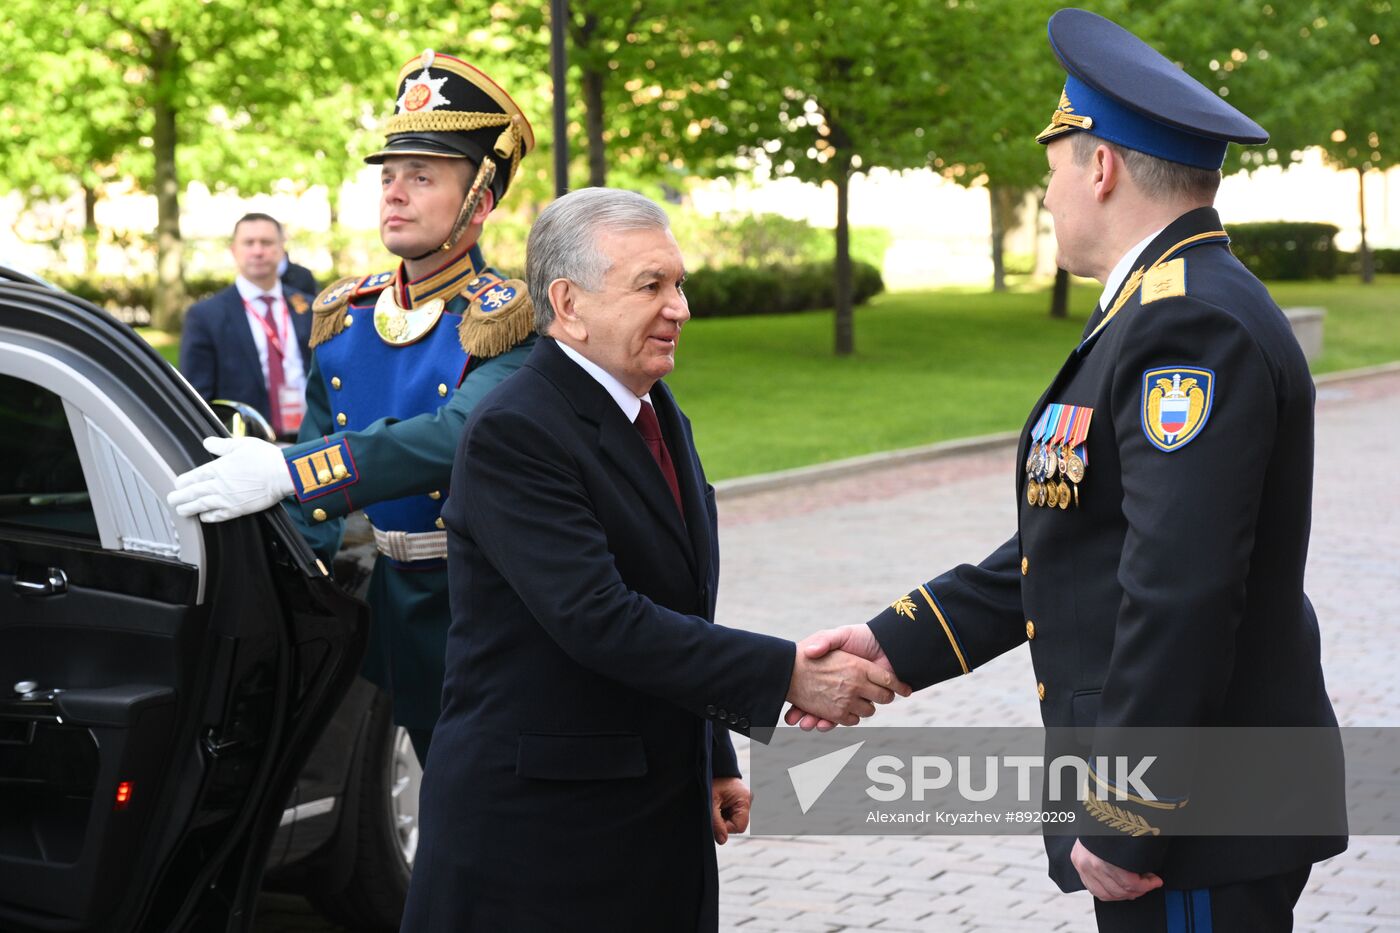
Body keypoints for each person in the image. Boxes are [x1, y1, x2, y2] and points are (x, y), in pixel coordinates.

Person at [788, 9, 1346, 931]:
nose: (1047, 194)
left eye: (1051, 168)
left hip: (1194, 821)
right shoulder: (1158, 306)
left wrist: (1127, 811)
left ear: (1101, 167)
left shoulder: (1186, 324)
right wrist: (897, 641)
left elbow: (1181, 586)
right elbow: (1075, 537)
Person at [400, 187, 908, 932]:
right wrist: (788, 675)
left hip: (648, 812)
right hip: (541, 837)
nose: (680, 308)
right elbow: (598, 618)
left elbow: (675, 604)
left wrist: (711, 755)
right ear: (568, 304)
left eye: (679, 283)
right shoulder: (517, 430)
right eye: (651, 286)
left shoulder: (654, 409)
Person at [167, 50, 541, 765]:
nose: (394, 194)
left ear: (479, 201)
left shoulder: (504, 320)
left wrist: (288, 470)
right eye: (389, 176)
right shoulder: (346, 315)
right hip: (391, 608)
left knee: (499, 802)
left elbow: (456, 437)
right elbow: (316, 514)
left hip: (486, 611)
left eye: (422, 177)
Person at [180, 212, 314, 441]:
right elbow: (197, 400)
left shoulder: (310, 308)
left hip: (311, 441)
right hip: (245, 445)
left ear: (281, 249)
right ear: (234, 250)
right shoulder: (205, 317)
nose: (258, 251)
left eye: (266, 242)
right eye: (249, 243)